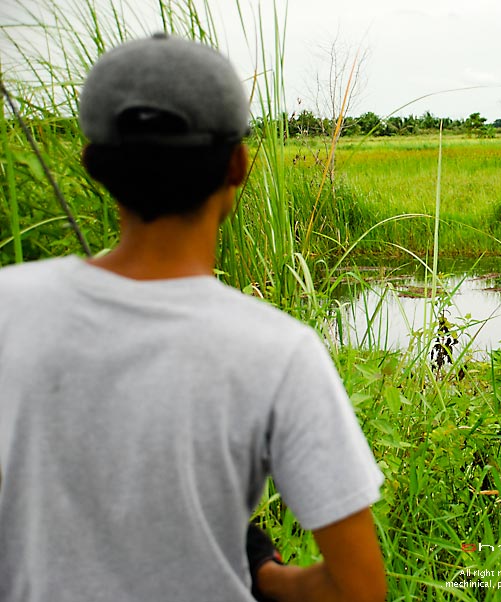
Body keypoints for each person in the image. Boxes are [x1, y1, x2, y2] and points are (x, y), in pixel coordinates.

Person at [0, 33, 386, 602]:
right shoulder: (280, 352)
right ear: (239, 163)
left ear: (92, 164)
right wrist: (266, 572)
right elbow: (357, 590)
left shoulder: (7, 303)